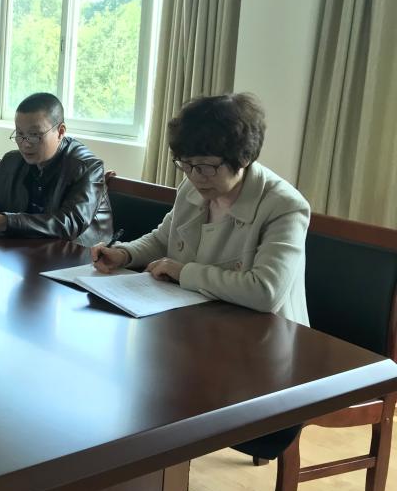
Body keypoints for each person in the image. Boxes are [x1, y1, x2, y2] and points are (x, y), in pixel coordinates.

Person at [91, 93, 310, 325]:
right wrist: (124, 254)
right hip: (203, 320)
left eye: (206, 166)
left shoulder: (284, 206)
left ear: (244, 158)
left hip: (264, 333)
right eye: (186, 164)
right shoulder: (192, 187)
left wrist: (183, 272)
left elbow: (266, 291)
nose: (195, 176)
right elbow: (164, 239)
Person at [0, 93, 113, 244]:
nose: (25, 144)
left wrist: (6, 222)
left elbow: (70, 223)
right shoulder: (13, 161)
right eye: (20, 134)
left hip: (81, 257)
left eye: (34, 135)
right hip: (28, 250)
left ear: (60, 132)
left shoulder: (86, 167)